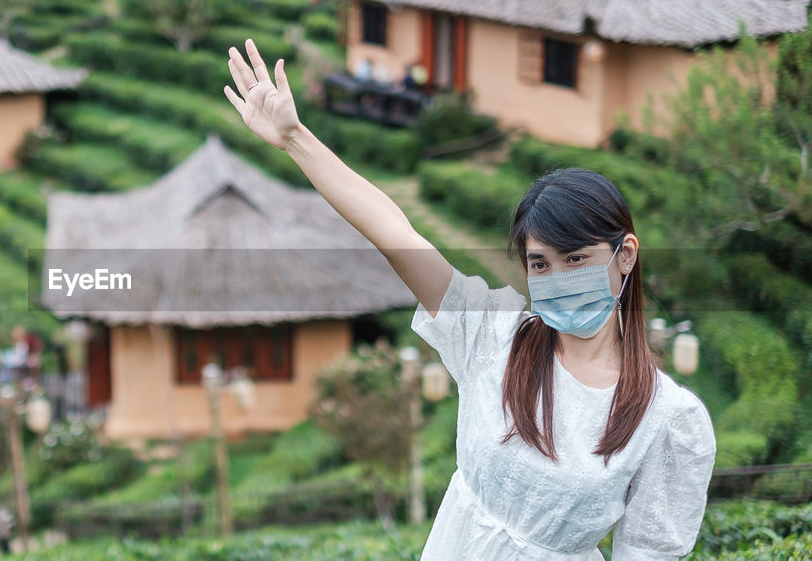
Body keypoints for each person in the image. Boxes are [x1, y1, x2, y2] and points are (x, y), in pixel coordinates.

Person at [223, 39, 717, 559]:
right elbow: (396, 231)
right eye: (540, 264)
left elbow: (649, 553)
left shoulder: (667, 419)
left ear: (626, 255)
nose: (559, 277)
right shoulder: (492, 335)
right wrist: (295, 138)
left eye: (578, 258)